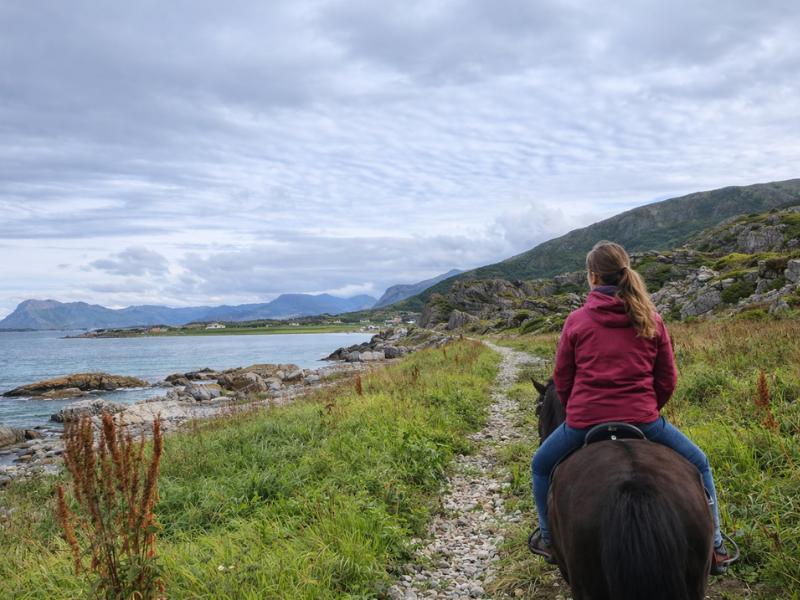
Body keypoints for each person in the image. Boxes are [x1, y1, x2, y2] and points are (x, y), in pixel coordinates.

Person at [527, 240, 730, 575]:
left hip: (584, 422)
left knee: (540, 466)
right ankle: (717, 546)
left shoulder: (576, 321)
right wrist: (647, 408)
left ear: (592, 277)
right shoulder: (651, 318)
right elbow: (667, 378)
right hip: (643, 420)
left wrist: (577, 408)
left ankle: (548, 538)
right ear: (625, 272)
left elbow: (562, 379)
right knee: (700, 463)